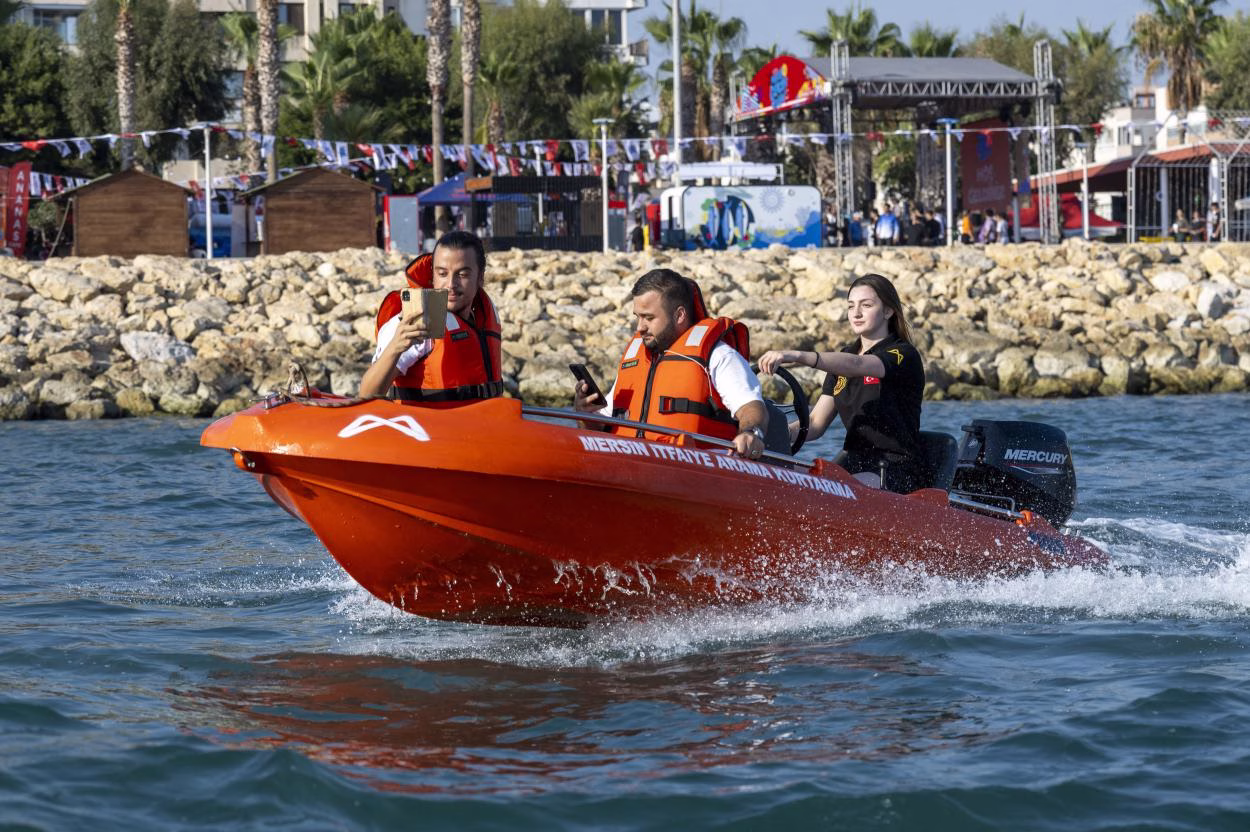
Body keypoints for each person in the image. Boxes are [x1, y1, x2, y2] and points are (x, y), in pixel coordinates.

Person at [574, 268, 769, 460]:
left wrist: (751, 433)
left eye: (649, 318)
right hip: (631, 462)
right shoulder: (634, 360)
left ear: (679, 315)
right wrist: (585, 413)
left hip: (695, 467)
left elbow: (751, 407)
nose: (640, 327)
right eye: (638, 317)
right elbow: (600, 426)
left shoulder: (718, 355)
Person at [757, 274, 925, 493]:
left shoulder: (902, 354)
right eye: (851, 306)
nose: (856, 313)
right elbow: (815, 423)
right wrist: (773, 433)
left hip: (895, 470)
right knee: (782, 476)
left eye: (866, 305)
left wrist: (799, 356)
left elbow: (857, 364)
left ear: (888, 311)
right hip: (853, 464)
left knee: (826, 491)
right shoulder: (845, 357)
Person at [360, 230, 503, 402]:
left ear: (480, 277)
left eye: (462, 274)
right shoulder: (414, 321)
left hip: (480, 424)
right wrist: (395, 347)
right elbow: (366, 395)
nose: (451, 284)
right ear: (432, 275)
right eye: (442, 274)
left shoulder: (483, 316)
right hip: (430, 426)